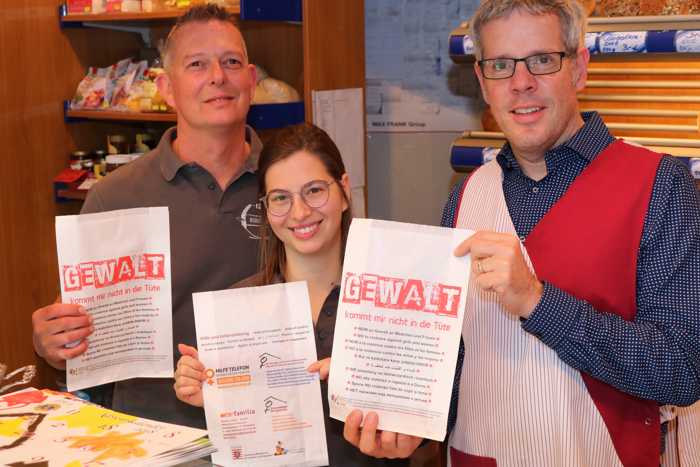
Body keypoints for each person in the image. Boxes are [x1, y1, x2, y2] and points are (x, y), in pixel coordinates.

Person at [344, 0, 700, 465]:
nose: (521, 82)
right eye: (500, 65)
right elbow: (452, 359)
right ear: (482, 83)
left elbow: (682, 368)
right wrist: (408, 419)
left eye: (542, 60)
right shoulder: (466, 195)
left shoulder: (660, 185)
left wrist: (536, 301)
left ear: (579, 68)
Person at [31, 4, 261, 428]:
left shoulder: (292, 189)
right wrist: (55, 344)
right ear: (167, 89)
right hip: (153, 437)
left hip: (273, 430)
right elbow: (81, 343)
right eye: (197, 64)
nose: (218, 77)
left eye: (231, 62)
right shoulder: (113, 197)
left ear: (251, 79)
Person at [173, 123, 411, 466]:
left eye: (314, 191)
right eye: (281, 198)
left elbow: (428, 423)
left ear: (344, 191)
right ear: (266, 210)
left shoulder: (393, 301)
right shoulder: (239, 307)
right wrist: (206, 392)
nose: (299, 213)